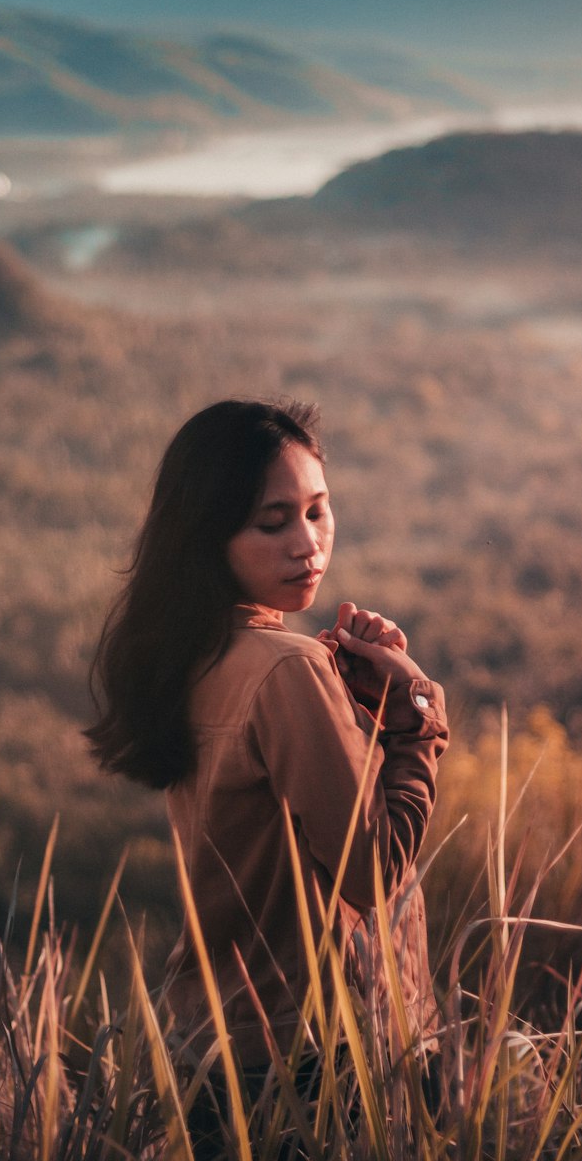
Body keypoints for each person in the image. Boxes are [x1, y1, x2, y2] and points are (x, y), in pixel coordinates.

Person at [87, 398, 449, 1073]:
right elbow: (370, 871)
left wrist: (353, 711)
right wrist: (416, 717)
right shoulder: (287, 666)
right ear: (209, 538)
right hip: (319, 1062)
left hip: (218, 1050)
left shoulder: (191, 655)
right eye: (272, 522)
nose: (308, 542)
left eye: (318, 510)